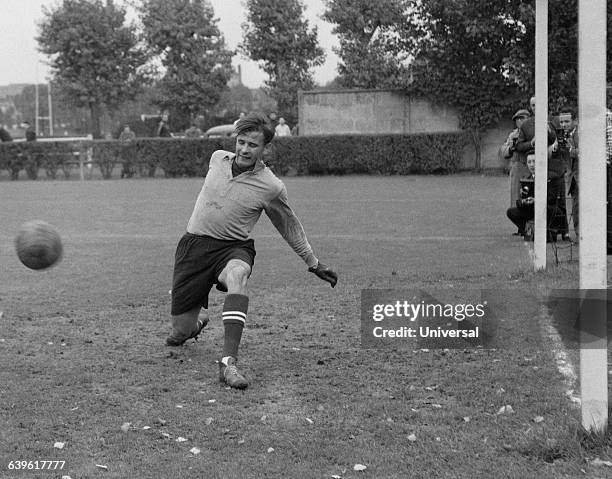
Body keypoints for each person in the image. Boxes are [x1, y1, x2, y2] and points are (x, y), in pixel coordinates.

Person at [166, 112, 338, 390]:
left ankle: (228, 363)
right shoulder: (217, 159)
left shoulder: (271, 186)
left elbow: (288, 225)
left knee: (238, 275)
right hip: (193, 248)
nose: (245, 149)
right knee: (179, 331)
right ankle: (198, 320)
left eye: (253, 145)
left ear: (265, 149)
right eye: (242, 142)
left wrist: (313, 262)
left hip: (232, 248)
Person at [515, 98, 569, 240]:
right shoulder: (526, 125)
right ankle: (536, 229)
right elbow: (519, 146)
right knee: (541, 200)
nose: (535, 107)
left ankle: (565, 232)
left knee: (560, 200)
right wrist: (531, 144)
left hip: (555, 168)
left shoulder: (554, 120)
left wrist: (553, 139)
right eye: (533, 105)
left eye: (537, 104)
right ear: (530, 107)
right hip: (538, 169)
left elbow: (560, 139)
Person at [501, 109, 531, 232]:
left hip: (529, 168)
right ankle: (520, 226)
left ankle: (529, 225)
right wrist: (511, 147)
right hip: (516, 169)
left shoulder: (532, 133)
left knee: (528, 197)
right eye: (517, 119)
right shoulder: (513, 135)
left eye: (522, 118)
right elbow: (503, 151)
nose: (519, 121)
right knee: (515, 198)